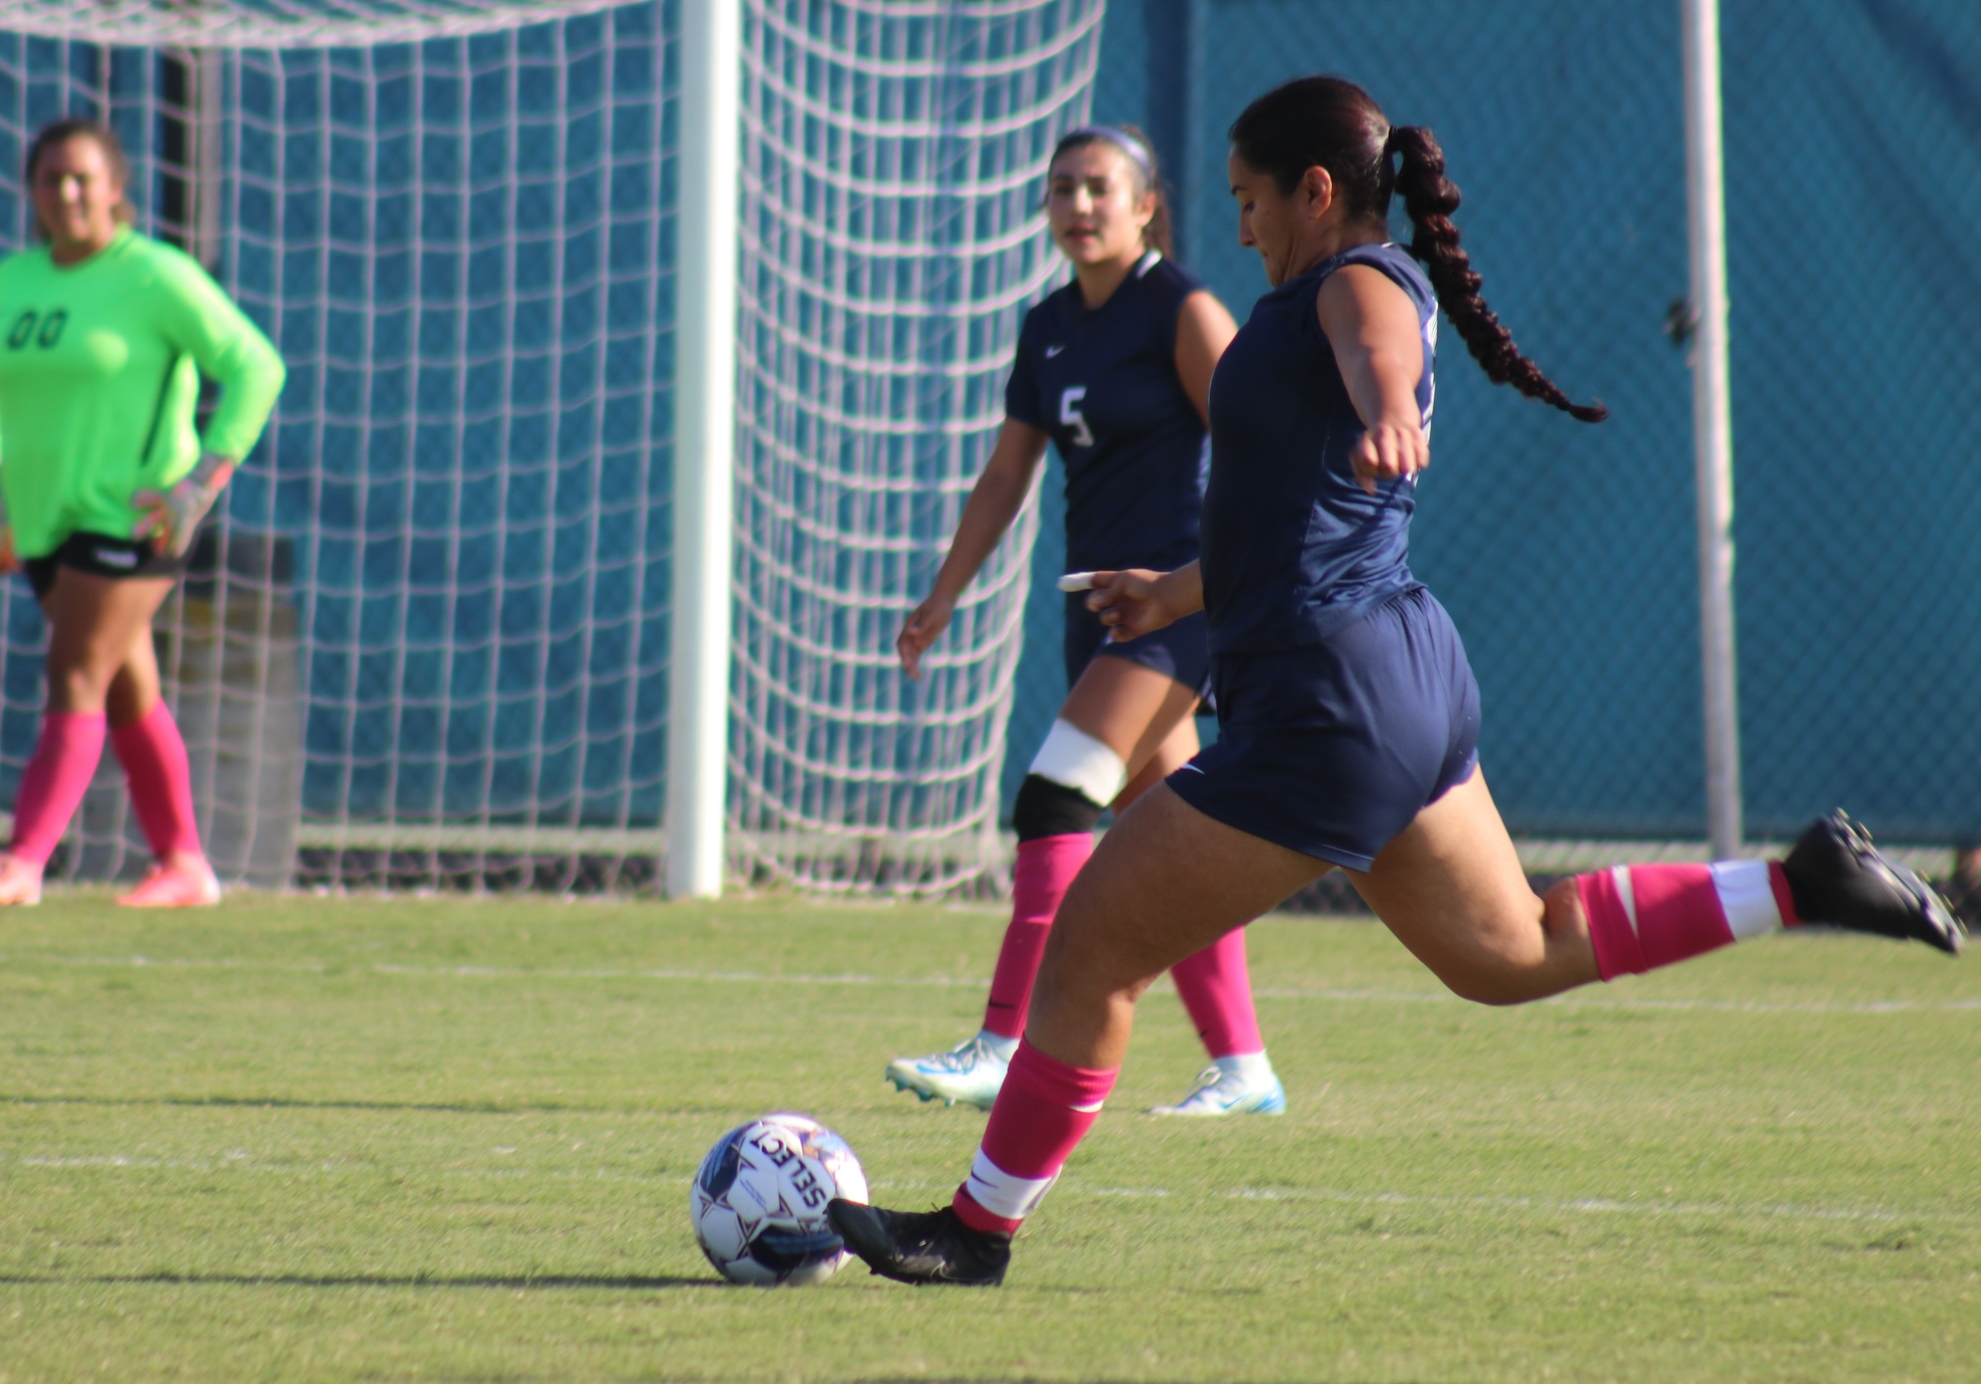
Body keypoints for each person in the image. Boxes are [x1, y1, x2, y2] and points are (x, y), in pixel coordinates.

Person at [830, 75, 1964, 1285]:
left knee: (1090, 950)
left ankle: (975, 1230)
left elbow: (1374, 349)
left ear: (1317, 192)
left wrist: (1386, 405)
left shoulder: (1352, 279)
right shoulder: (1305, 290)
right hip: (1393, 674)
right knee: (1508, 952)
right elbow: (1285, 509)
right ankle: (1798, 885)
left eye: (1251, 201)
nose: (1245, 225)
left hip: (1327, 702)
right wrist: (1173, 593)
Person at [887, 123, 1286, 1119]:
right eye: (1060, 188)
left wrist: (1201, 575)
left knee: (1053, 799)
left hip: (1175, 610)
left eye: (1097, 188)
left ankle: (1001, 1043)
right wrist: (943, 590)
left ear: (1144, 203)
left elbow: (1267, 454)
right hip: (1093, 614)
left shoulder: (1182, 310)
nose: (1075, 205)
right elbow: (1004, 473)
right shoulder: (1049, 324)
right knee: (1180, 838)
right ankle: (1243, 1067)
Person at [0, 118, 287, 909]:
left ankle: (23, 861)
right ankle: (186, 865)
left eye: (82, 177)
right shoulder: (12, 280)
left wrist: (199, 483)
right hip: (39, 525)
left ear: (116, 188)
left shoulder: (154, 275)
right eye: (49, 177)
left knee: (76, 672)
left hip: (134, 519)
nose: (65, 192)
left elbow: (257, 365)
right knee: (128, 690)